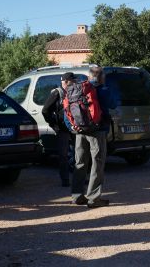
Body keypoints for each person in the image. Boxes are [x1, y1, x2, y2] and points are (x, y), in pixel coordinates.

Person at [64, 68, 112, 208]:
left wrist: (73, 127)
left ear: (89, 76)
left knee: (80, 163)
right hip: (97, 131)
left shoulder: (76, 89)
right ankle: (94, 198)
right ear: (101, 77)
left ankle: (77, 196)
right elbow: (113, 104)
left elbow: (66, 111)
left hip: (79, 131)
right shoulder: (102, 90)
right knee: (97, 164)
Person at [42, 75, 74, 187]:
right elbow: (45, 110)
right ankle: (65, 180)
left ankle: (79, 178)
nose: (75, 82)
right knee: (64, 156)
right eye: (73, 80)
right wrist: (54, 124)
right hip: (62, 129)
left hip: (74, 127)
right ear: (66, 81)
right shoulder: (57, 93)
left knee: (78, 154)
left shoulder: (73, 91)